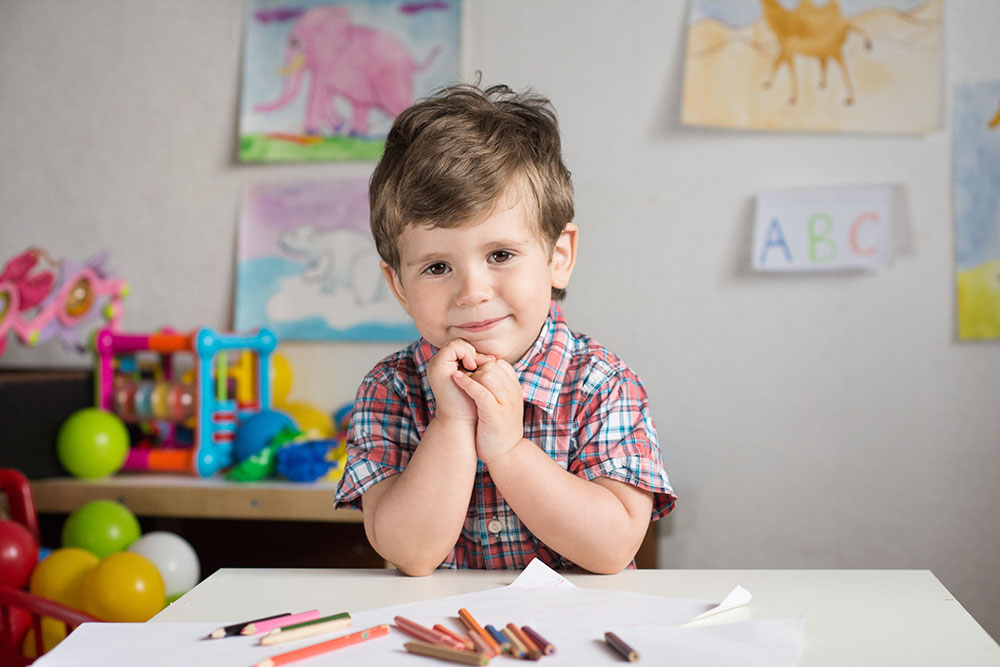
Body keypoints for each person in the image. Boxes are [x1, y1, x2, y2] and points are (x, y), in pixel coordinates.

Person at [334, 82, 675, 575]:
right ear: (400, 285)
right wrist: (452, 424)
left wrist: (509, 451)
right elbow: (407, 552)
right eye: (436, 267)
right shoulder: (391, 389)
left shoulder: (601, 382)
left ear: (558, 258)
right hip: (446, 639)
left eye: (500, 255)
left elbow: (614, 547)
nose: (472, 291)